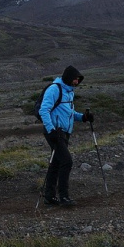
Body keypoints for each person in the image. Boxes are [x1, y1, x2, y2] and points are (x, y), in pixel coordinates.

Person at [39, 65, 92, 206]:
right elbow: (44, 110)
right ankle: (64, 197)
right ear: (69, 78)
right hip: (55, 132)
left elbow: (69, 113)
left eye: (78, 79)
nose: (77, 82)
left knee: (56, 163)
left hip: (64, 132)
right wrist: (51, 130)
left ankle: (49, 197)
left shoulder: (69, 92)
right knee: (67, 161)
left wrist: (83, 117)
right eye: (75, 79)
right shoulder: (55, 89)